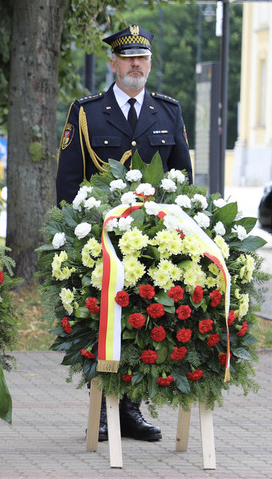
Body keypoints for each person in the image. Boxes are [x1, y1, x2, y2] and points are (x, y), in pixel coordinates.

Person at [56, 24, 193, 443]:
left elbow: (183, 180)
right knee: (102, 322)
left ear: (150, 64)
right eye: (128, 58)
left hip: (153, 241)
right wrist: (74, 233)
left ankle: (131, 409)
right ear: (113, 64)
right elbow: (69, 180)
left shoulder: (168, 112)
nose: (136, 65)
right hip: (101, 239)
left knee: (144, 321)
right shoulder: (87, 112)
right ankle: (101, 409)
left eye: (142, 58)